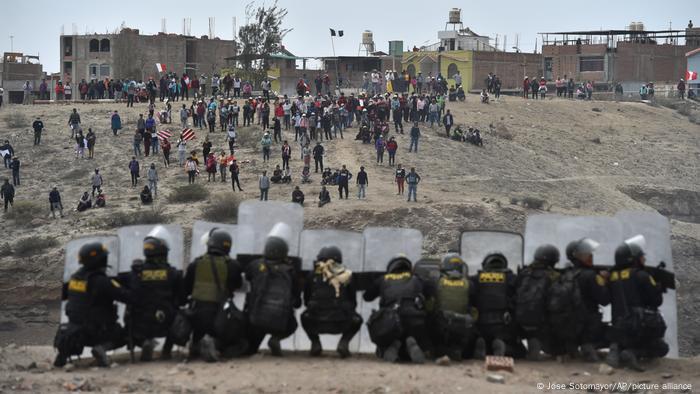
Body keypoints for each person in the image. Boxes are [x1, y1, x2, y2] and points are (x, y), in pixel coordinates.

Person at [53, 242, 130, 367]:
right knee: (124, 334)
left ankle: (63, 355)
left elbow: (62, 295)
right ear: (100, 260)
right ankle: (102, 348)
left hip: (76, 332)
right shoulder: (101, 281)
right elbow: (127, 297)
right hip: (96, 332)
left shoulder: (74, 279)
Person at [606, 236, 669, 371]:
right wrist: (657, 288)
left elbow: (606, 299)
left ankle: (616, 348)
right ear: (633, 259)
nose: (644, 259)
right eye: (641, 257)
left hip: (617, 329)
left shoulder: (611, 277)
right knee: (662, 348)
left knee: (622, 334)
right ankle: (633, 353)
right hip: (638, 328)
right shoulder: (642, 276)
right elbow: (657, 302)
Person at [184, 228, 245, 361]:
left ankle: (196, 344)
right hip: (220, 315)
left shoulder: (196, 263)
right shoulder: (233, 265)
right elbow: (237, 285)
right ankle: (216, 344)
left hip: (196, 315)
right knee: (241, 339)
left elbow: (186, 289)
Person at [124, 228, 184, 361]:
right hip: (165, 321)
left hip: (141, 324)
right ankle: (166, 351)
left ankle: (145, 342)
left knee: (131, 311)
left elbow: (128, 294)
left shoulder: (136, 273)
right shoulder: (173, 274)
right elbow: (182, 298)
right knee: (181, 312)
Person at [244, 224, 302, 356]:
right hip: (281, 321)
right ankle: (275, 339)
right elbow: (297, 302)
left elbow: (245, 278)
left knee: (249, 349)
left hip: (256, 318)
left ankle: (251, 347)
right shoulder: (290, 271)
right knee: (293, 324)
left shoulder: (255, 265)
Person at [364, 255, 429, 364]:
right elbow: (430, 294)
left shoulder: (383, 279)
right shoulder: (416, 279)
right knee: (417, 322)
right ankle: (410, 341)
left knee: (379, 323)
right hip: (414, 320)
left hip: (390, 322)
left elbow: (367, 297)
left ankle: (392, 345)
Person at [554, 238, 610, 362]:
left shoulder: (565, 275)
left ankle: (572, 348)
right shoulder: (591, 276)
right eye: (585, 254)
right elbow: (605, 300)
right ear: (576, 257)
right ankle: (588, 347)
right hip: (588, 326)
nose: (590, 256)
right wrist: (606, 282)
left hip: (568, 324)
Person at [302, 246, 362, 358]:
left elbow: (306, 300)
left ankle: (315, 344)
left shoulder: (312, 275)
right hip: (341, 322)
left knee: (304, 316)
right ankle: (344, 343)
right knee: (357, 319)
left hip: (316, 322)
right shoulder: (347, 275)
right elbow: (353, 302)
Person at [427, 254, 476, 361]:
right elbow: (473, 307)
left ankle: (436, 350)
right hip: (463, 328)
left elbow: (430, 307)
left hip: (441, 327)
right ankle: (459, 351)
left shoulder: (436, 283)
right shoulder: (469, 284)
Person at [515, 244, 560, 361]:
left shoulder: (524, 273)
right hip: (543, 322)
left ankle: (532, 348)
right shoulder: (553, 276)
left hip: (519, 319)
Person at [472, 253, 521, 359]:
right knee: (519, 351)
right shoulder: (512, 278)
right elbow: (518, 299)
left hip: (480, 323)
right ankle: (499, 342)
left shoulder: (476, 278)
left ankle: (481, 341)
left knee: (475, 341)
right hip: (503, 323)